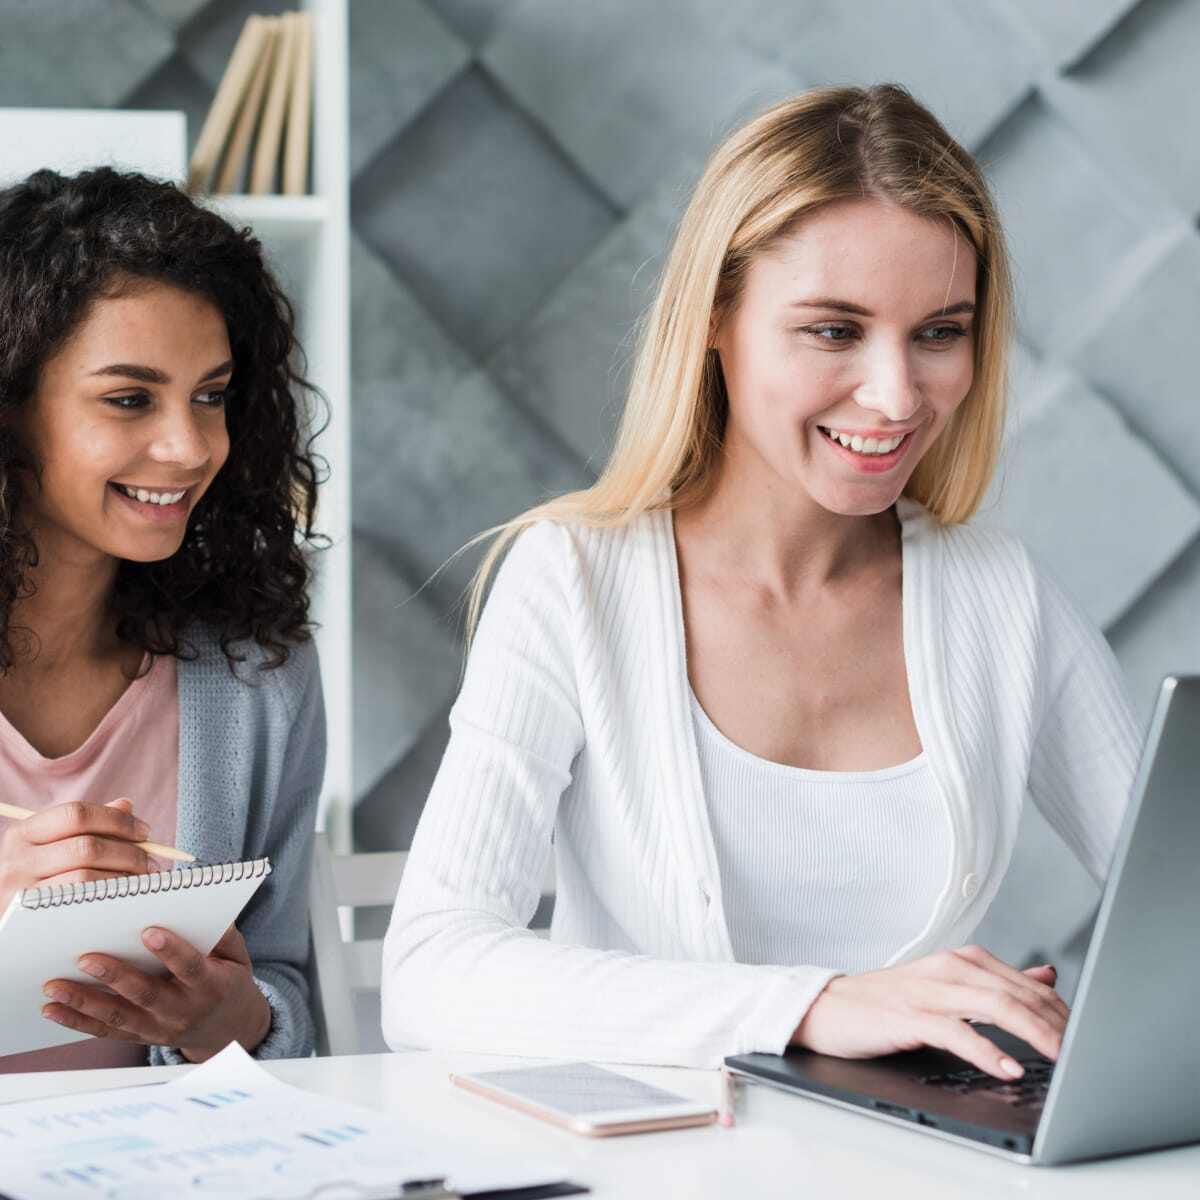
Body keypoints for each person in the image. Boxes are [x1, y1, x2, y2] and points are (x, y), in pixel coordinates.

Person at [381, 83, 1143, 1075]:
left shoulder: (999, 596)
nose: (896, 394)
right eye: (834, 331)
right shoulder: (575, 581)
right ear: (716, 318)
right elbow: (431, 973)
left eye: (939, 332)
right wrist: (814, 1006)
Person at [0, 167, 326, 1072]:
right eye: (130, 398)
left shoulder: (257, 670)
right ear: (13, 408)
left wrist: (233, 1022)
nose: (190, 448)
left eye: (212, 395)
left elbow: (286, 989)